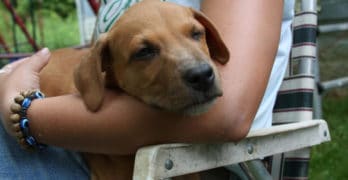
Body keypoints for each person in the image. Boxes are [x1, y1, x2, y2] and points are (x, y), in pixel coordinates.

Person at [0, 0, 294, 179]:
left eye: (195, 34)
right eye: (146, 51)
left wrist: (24, 111)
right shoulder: (106, 61)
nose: (198, 68)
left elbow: (226, 115)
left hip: (170, 164)